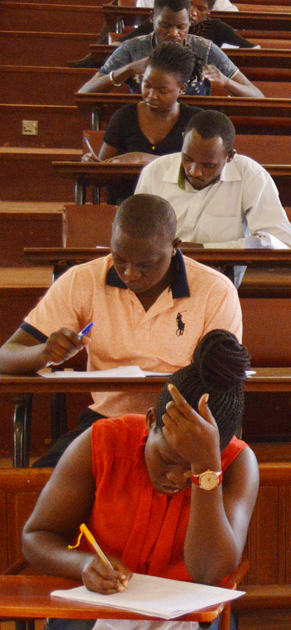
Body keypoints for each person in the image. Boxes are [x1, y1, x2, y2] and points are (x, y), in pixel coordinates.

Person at [22, 329, 259, 630]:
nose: (176, 477)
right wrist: (81, 565)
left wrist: (207, 472)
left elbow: (207, 571)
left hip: (190, 623)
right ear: (151, 421)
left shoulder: (236, 464)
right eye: (167, 457)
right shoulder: (101, 443)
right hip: (95, 615)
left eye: (192, 467)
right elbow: (37, 536)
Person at [0, 194, 242, 466]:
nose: (130, 274)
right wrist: (43, 353)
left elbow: (222, 380)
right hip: (106, 421)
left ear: (175, 246)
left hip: (181, 424)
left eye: (145, 265)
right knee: (45, 483)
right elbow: (7, 355)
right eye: (120, 259)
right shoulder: (83, 279)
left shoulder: (215, 290)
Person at [136, 110, 291, 287]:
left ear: (229, 156)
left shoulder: (251, 176)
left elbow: (281, 243)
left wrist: (205, 250)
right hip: (157, 279)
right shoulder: (154, 172)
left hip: (220, 283)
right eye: (187, 158)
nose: (194, 171)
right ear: (183, 141)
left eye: (208, 165)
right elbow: (136, 233)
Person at [80, 0, 262, 99]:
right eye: (165, 26)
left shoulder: (205, 49)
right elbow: (85, 92)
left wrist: (225, 81)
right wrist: (127, 70)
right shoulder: (133, 48)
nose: (174, 34)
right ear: (152, 19)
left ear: (190, 22)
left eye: (181, 27)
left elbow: (257, 95)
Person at [88, 44, 202, 182]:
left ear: (181, 89)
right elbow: (100, 177)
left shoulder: (196, 121)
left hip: (175, 199)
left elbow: (200, 171)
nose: (152, 95)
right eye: (147, 85)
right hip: (127, 199)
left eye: (162, 91)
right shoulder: (124, 117)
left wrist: (141, 158)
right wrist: (92, 165)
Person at [127, 0, 252, 48]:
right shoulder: (163, 21)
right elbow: (123, 43)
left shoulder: (216, 28)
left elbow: (251, 49)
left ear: (210, 10)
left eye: (201, 9)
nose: (193, 13)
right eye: (190, 4)